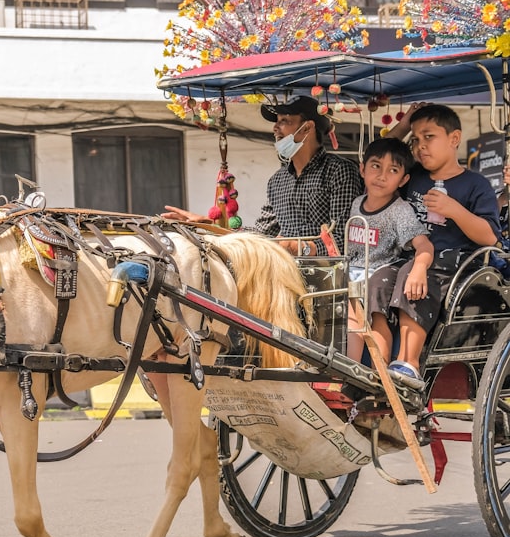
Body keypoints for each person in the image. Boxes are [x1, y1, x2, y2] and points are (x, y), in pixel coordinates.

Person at [369, 103, 502, 383]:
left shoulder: (475, 184)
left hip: (455, 265)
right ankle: (376, 367)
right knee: (378, 279)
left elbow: (490, 236)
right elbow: (382, 154)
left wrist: (454, 209)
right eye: (415, 140)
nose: (420, 146)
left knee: (412, 274)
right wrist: (405, 125)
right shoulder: (412, 177)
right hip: (411, 258)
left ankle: (408, 362)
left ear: (454, 139)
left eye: (429, 137)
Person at [163, 95, 364, 256]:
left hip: (327, 281)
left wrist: (299, 248)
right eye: (276, 122)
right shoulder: (277, 181)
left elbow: (345, 238)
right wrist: (208, 224)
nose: (276, 128)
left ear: (307, 128)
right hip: (283, 272)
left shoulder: (339, 171)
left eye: (285, 121)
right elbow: (262, 233)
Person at [345, 138, 433, 361]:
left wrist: (420, 267)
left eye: (392, 170)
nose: (382, 176)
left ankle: (377, 377)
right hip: (351, 272)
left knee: (376, 317)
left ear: (403, 179)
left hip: (379, 273)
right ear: (362, 168)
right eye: (376, 166)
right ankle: (345, 373)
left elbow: (423, 243)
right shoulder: (356, 203)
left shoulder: (400, 211)